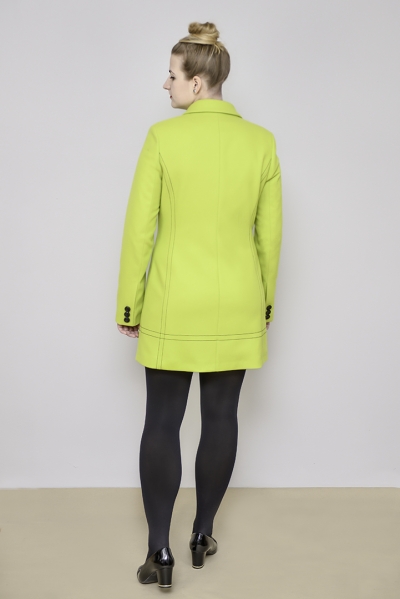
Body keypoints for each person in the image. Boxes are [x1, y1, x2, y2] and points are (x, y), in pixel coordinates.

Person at [115, 21, 282, 589]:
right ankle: (202, 533)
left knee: (162, 421)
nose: (165, 84)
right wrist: (264, 304)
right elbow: (269, 237)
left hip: (172, 301)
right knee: (222, 418)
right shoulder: (261, 142)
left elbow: (139, 230)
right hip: (237, 301)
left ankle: (159, 550)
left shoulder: (163, 139)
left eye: (171, 75)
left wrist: (130, 304)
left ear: (197, 82)